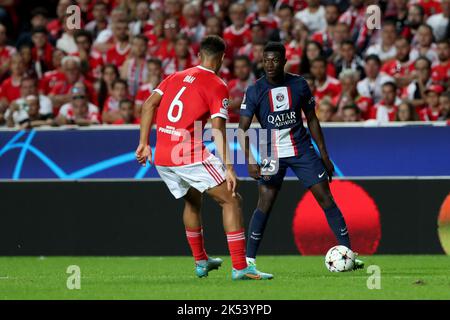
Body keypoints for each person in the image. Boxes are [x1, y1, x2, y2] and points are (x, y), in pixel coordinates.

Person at [135, 35, 273, 280]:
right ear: (221, 58)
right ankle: (241, 267)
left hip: (163, 156)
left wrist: (144, 144)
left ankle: (201, 262)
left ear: (199, 55)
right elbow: (218, 129)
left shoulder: (174, 76)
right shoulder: (217, 84)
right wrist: (229, 167)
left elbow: (147, 105)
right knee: (231, 199)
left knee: (192, 201)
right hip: (187, 154)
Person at [238, 42, 364, 272]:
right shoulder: (255, 90)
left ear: (284, 61)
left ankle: (348, 253)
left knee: (325, 198)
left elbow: (312, 119)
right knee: (264, 203)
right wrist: (250, 159)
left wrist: (324, 155)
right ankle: (248, 261)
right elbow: (242, 128)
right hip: (270, 150)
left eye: (274, 60)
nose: (269, 64)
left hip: (302, 148)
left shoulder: (298, 84)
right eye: (266, 60)